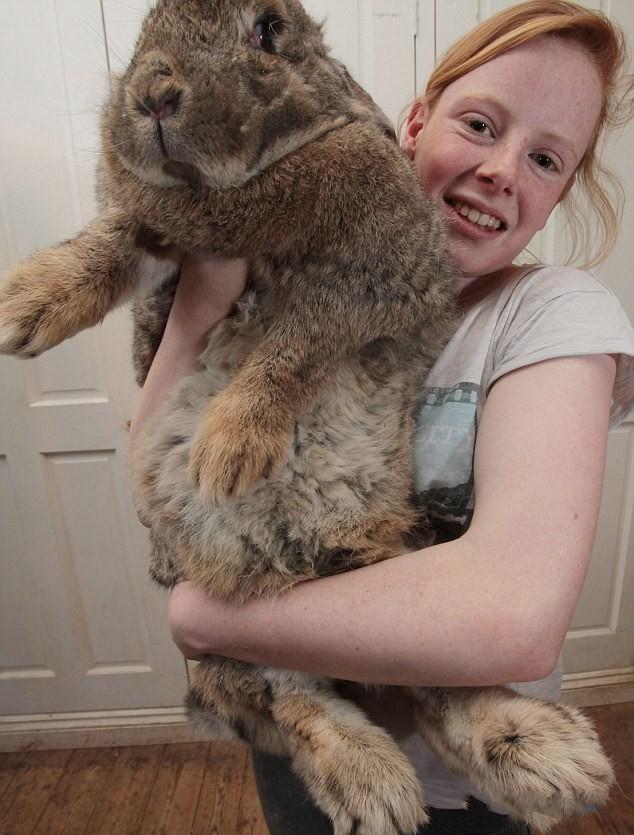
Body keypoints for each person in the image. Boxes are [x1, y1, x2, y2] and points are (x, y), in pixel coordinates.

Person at [130, 2, 634, 833]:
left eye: (546, 158)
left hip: (458, 785)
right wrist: (204, 296)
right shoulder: (285, 276)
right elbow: (165, 494)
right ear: (415, 125)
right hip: (304, 742)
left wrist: (208, 617)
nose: (502, 169)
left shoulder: (552, 316)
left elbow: (513, 617)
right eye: (480, 124)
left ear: (557, 197)